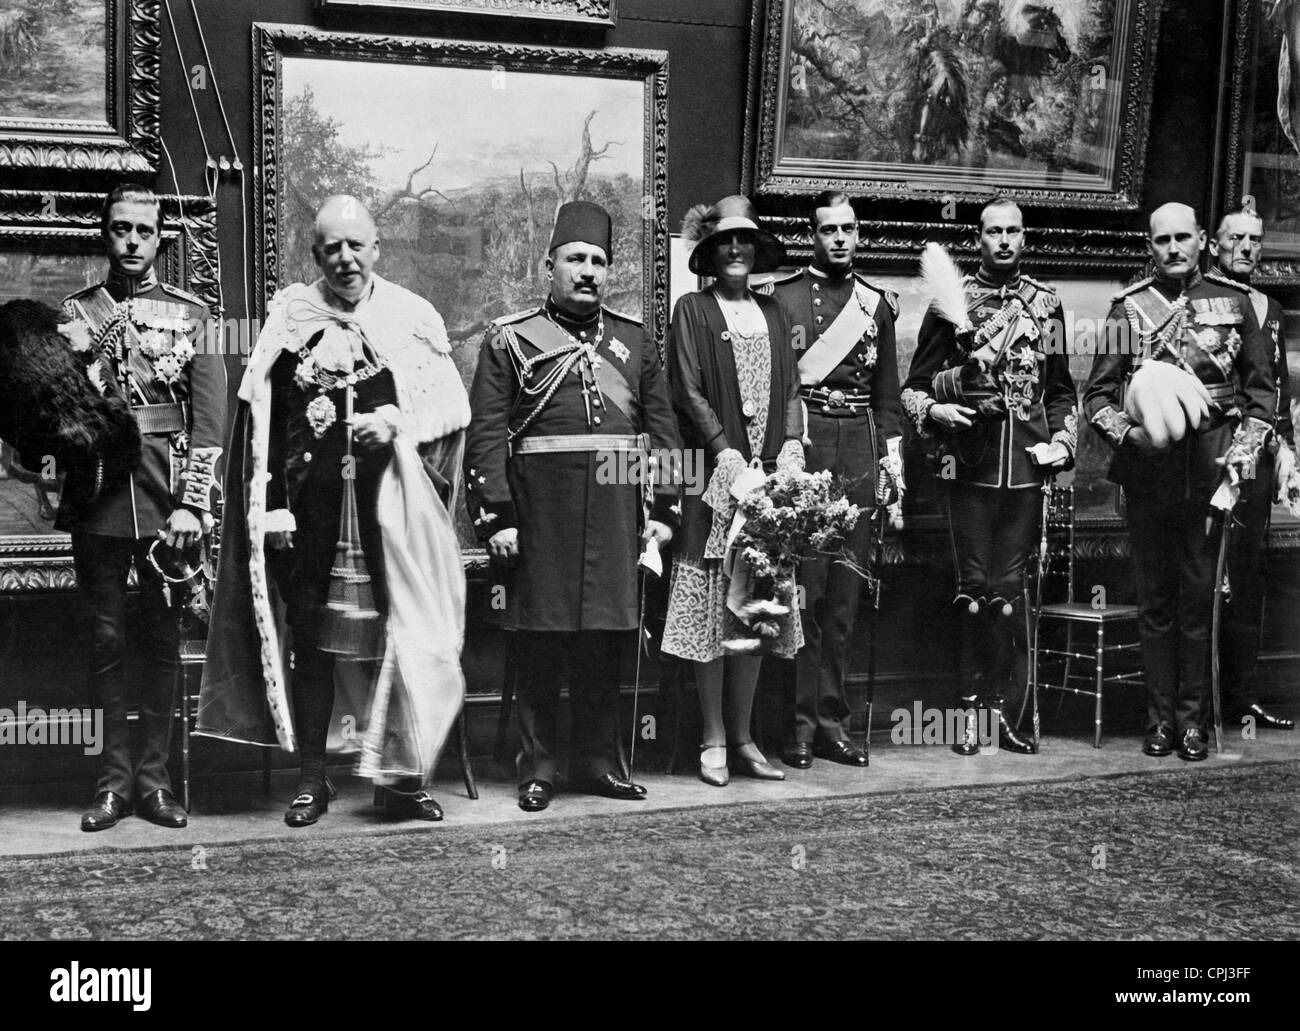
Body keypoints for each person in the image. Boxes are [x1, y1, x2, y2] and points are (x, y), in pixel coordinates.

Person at [199, 195, 470, 825]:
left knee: (397, 637)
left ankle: (400, 781)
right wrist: (269, 509)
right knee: (313, 645)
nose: (346, 259)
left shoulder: (412, 317)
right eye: (332, 248)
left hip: (389, 511)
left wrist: (398, 423)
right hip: (311, 513)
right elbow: (259, 426)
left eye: (357, 245)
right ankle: (313, 778)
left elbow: (450, 414)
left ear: (377, 247)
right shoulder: (289, 319)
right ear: (315, 254)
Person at [464, 200, 680, 813]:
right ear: (549, 265)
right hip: (541, 511)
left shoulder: (635, 342)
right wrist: (499, 516)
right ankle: (539, 767)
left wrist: (663, 509)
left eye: (598, 262)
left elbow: (662, 432)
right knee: (540, 641)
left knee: (606, 641)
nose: (588, 271)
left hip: (616, 512)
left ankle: (599, 763)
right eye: (576, 259)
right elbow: (486, 432)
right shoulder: (510, 339)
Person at [59, 184, 227, 831]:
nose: (131, 241)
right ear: (105, 232)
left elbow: (209, 422)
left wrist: (191, 505)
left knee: (160, 640)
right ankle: (112, 781)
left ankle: (154, 781)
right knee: (103, 640)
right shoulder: (75, 313)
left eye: (143, 231)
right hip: (98, 494)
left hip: (165, 497)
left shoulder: (192, 313)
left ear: (161, 238)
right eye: (120, 228)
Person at [1084, 202, 1276, 761]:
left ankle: (1194, 723)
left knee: (1200, 601)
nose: (1173, 248)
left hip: (1212, 471)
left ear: (1202, 242)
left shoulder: (1237, 303)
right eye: (1162, 239)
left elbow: (1261, 399)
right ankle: (1159, 722)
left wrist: (1237, 466)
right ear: (1151, 243)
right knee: (1155, 603)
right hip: (1150, 475)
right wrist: (1129, 435)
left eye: (1183, 238)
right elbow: (1097, 395)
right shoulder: (1127, 308)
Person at [902, 199, 1076, 757]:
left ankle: (1006, 713)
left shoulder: (1046, 306)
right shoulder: (951, 305)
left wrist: (1064, 442)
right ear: (977, 239)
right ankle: (967, 717)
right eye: (993, 231)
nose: (1003, 240)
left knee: (1009, 595)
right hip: (968, 471)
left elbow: (1060, 390)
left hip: (1027, 473)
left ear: (1025, 238)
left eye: (1013, 231)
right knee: (972, 593)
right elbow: (916, 387)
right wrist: (942, 408)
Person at [662, 194, 804, 787]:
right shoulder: (693, 310)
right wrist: (724, 454)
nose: (737, 251)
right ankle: (713, 736)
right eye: (725, 242)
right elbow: (687, 390)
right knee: (715, 609)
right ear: (711, 252)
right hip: (715, 482)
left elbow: (792, 388)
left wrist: (792, 448)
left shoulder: (773, 313)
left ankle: (745, 736)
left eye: (745, 242)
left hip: (767, 482)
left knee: (756, 611)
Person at [770, 190, 902, 769]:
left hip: (860, 449)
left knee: (844, 600)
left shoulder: (877, 306)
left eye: (849, 228)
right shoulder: (783, 298)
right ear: (813, 235)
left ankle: (832, 722)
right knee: (805, 592)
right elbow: (780, 390)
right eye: (829, 229)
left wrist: (891, 466)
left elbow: (889, 395)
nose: (841, 238)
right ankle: (795, 726)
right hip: (808, 440)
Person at [1207, 203, 1295, 731]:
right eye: (1236, 238)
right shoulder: (1201, 300)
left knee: (1246, 575)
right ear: (1216, 244)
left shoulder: (1271, 308)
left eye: (1254, 240)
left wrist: (1282, 447)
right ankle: (1198, 701)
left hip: (1256, 462)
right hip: (1210, 456)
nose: (1246, 248)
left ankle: (1240, 695)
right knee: (1206, 578)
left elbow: (1276, 388)